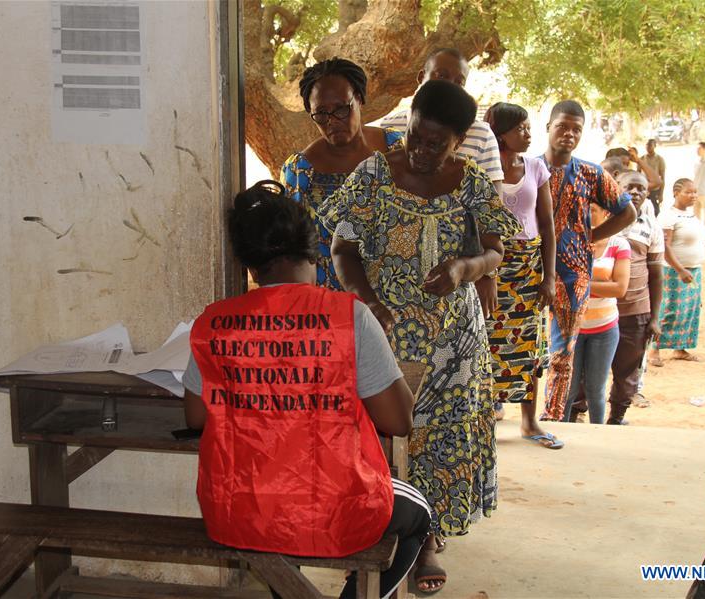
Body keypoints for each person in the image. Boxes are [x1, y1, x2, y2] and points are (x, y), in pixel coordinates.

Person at [183, 181, 432, 599]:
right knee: (418, 513)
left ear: (249, 264)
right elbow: (398, 421)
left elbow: (195, 418)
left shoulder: (214, 323)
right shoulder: (348, 317)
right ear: (313, 249)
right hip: (334, 510)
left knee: (276, 526)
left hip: (236, 511)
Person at [325, 80, 521, 593]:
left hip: (453, 338)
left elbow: (497, 252)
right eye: (416, 137)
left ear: (460, 141)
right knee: (379, 439)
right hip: (383, 330)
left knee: (441, 434)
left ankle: (427, 540)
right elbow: (343, 250)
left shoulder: (473, 181)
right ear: (407, 124)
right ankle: (373, 535)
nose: (422, 150)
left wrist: (465, 267)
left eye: (437, 144)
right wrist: (368, 301)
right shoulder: (373, 173)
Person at [376, 48, 505, 319]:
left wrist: (483, 272)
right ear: (422, 77)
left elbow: (493, 220)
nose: (450, 85)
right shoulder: (388, 128)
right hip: (392, 293)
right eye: (441, 75)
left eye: (459, 81)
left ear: (458, 140)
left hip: (456, 291)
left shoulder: (480, 134)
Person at [539, 100, 636, 422]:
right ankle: (509, 411)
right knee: (520, 344)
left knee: (563, 351)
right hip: (528, 270)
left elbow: (627, 211)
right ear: (549, 127)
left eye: (576, 129)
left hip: (573, 274)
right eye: (562, 126)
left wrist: (590, 237)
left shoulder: (590, 173)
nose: (568, 134)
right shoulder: (528, 168)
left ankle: (553, 418)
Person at [281, 58, 404, 290]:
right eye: (321, 114)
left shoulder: (397, 149)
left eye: (341, 109)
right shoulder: (300, 172)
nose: (332, 121)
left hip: (396, 296)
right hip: (333, 306)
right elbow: (293, 250)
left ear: (358, 99)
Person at [482, 102, 562, 448]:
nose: (529, 135)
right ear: (500, 134)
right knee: (488, 343)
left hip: (528, 266)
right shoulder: (481, 169)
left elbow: (547, 225)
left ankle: (530, 423)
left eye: (529, 128)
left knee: (529, 345)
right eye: (521, 129)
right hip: (492, 266)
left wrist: (548, 276)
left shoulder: (535, 167)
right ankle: (484, 421)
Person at [563, 205, 631, 423]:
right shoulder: (571, 241)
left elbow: (620, 288)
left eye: (592, 209)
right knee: (567, 389)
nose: (585, 213)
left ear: (607, 214)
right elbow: (561, 282)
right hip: (571, 327)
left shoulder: (618, 244)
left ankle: (598, 435)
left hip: (604, 328)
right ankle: (562, 431)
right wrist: (601, 285)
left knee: (595, 390)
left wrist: (580, 284)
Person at [607, 170, 664, 425]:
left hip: (635, 311)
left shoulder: (652, 227)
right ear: (617, 186)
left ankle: (616, 418)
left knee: (627, 371)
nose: (636, 192)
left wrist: (654, 317)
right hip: (600, 311)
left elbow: (656, 275)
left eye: (641, 188)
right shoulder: (602, 220)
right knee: (587, 370)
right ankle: (578, 413)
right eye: (629, 186)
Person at [648, 178, 705, 366]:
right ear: (675, 193)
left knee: (688, 310)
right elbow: (664, 246)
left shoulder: (690, 215)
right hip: (674, 272)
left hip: (693, 270)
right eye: (688, 192)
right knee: (669, 310)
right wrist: (680, 269)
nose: (693, 196)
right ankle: (654, 349)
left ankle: (679, 348)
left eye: (695, 192)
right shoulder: (668, 216)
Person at [641, 139, 666, 216]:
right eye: (647, 145)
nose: (648, 147)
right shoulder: (642, 159)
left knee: (655, 210)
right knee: (643, 209)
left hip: (655, 189)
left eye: (650, 145)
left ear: (654, 146)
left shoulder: (659, 159)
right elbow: (637, 173)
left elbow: (662, 177)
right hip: (644, 188)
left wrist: (661, 194)